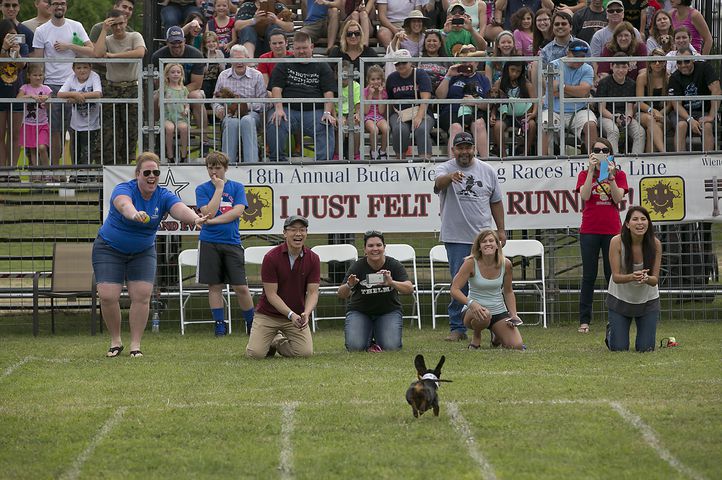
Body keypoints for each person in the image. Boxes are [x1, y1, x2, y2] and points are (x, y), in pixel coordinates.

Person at [93, 152, 207, 358]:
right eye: (147, 172)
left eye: (156, 172)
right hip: (109, 248)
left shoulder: (163, 195)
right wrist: (134, 213)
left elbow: (179, 209)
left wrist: (194, 219)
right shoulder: (124, 189)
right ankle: (116, 340)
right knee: (108, 296)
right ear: (137, 174)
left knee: (142, 296)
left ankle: (135, 345)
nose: (151, 176)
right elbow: (123, 204)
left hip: (142, 252)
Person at [434, 131, 505, 342]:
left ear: (474, 148)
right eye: (460, 148)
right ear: (453, 150)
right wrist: (450, 177)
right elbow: (438, 184)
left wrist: (501, 230)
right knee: (460, 283)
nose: (464, 151)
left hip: (484, 238)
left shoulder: (487, 170)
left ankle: (495, 326)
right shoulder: (445, 168)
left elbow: (496, 201)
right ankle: (458, 327)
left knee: (492, 281)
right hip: (456, 237)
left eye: (468, 147)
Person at [195, 151, 255, 337]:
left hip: (232, 242)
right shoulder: (202, 189)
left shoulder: (237, 187)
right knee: (214, 286)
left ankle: (251, 323)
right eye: (210, 168)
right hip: (209, 242)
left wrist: (211, 222)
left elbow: (237, 212)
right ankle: (219, 324)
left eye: (218, 168)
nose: (214, 172)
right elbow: (209, 212)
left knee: (241, 287)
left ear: (225, 168)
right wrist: (219, 190)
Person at [246, 215, 320, 359]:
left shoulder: (313, 258)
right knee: (256, 354)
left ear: (306, 233)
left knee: (305, 353)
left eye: (302, 230)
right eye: (293, 230)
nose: (298, 234)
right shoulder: (271, 258)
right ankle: (266, 340)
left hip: (297, 316)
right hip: (268, 314)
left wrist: (306, 313)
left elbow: (313, 293)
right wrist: (290, 314)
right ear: (285, 233)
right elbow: (271, 294)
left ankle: (276, 341)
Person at [574, 137, 628, 334]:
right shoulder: (583, 174)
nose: (600, 153)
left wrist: (611, 176)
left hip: (612, 231)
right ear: (590, 153)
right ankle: (584, 320)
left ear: (610, 153)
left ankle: (616, 317)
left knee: (612, 275)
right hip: (589, 229)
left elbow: (618, 198)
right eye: (596, 150)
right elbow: (585, 195)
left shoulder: (619, 174)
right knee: (589, 276)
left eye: (605, 150)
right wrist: (590, 171)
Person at [31, 0, 94, 164]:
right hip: (51, 85)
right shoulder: (41, 30)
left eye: (63, 3)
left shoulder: (76, 26)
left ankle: (75, 170)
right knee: (54, 131)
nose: (59, 6)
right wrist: (39, 87)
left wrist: (70, 46)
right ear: (50, 6)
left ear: (66, 6)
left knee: (74, 130)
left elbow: (91, 50)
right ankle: (55, 170)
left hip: (74, 85)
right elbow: (37, 61)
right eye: (56, 3)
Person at [266, 31, 337, 162]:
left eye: (304, 48)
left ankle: (324, 164)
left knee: (326, 124)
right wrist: (279, 109)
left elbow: (329, 92)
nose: (301, 51)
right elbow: (276, 88)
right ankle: (277, 162)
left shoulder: (322, 66)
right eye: (298, 48)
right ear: (292, 49)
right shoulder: (284, 63)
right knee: (275, 121)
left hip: (314, 111)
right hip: (288, 110)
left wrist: (327, 112)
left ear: (312, 47)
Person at [338, 230, 413, 352]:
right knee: (355, 347)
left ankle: (377, 335)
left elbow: (409, 288)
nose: (375, 249)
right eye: (370, 245)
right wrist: (349, 285)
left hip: (388, 312)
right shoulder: (357, 266)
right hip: (360, 312)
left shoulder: (394, 264)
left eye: (379, 245)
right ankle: (369, 338)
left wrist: (392, 282)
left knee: (391, 347)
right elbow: (341, 294)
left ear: (384, 247)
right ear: (365, 249)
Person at [450, 229, 524, 349]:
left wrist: (513, 315)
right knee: (485, 315)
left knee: (516, 346)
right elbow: (454, 289)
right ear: (479, 247)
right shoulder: (470, 263)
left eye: (491, 241)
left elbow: (508, 291)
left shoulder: (507, 264)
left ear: (497, 245)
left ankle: (496, 336)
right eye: (484, 241)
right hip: (472, 312)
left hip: (498, 311)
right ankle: (477, 335)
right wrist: (471, 303)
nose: (488, 244)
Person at [92, 8, 146, 164]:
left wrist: (114, 56)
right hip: (112, 87)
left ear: (126, 22)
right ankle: (110, 165)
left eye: (121, 23)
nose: (118, 28)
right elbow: (97, 53)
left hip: (131, 87)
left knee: (131, 129)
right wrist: (103, 30)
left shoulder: (135, 36)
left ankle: (128, 163)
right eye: (114, 25)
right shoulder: (108, 39)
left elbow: (139, 53)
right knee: (109, 130)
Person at [606, 206, 662, 352]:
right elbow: (616, 277)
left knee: (646, 348)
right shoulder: (616, 242)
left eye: (644, 219)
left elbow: (655, 280)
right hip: (620, 299)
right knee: (619, 348)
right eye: (635, 219)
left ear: (649, 223)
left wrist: (646, 278)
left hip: (647, 300)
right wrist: (632, 276)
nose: (640, 223)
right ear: (627, 224)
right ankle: (612, 330)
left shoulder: (655, 244)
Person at [151, 26, 210, 156]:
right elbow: (157, 82)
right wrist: (170, 91)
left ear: (184, 40)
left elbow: (197, 83)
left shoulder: (196, 55)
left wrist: (179, 92)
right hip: (167, 89)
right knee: (156, 97)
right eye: (173, 42)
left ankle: (204, 140)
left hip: (189, 90)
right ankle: (156, 137)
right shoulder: (157, 56)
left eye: (179, 42)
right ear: (167, 42)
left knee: (197, 97)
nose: (176, 45)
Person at [540, 39, 598, 156]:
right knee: (544, 125)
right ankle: (544, 162)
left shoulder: (588, 68)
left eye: (582, 57)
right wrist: (578, 92)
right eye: (576, 56)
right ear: (568, 53)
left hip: (579, 110)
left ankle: (593, 161)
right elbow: (552, 91)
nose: (578, 60)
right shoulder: (554, 65)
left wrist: (563, 87)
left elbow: (583, 91)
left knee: (590, 125)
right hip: (554, 109)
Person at [212, 44, 267, 163]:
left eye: (242, 59)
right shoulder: (223, 75)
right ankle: (227, 165)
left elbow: (263, 102)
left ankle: (251, 164)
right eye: (236, 59)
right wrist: (219, 110)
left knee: (247, 121)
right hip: (230, 113)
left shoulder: (257, 75)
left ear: (247, 59)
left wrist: (245, 106)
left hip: (252, 113)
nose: (239, 63)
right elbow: (215, 99)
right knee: (232, 123)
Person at [436, 45, 490, 158]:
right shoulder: (453, 76)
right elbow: (440, 96)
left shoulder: (483, 79)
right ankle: (452, 164)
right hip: (452, 111)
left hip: (474, 111)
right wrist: (448, 75)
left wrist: (475, 102)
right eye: (464, 61)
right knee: (456, 128)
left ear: (476, 63)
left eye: (470, 61)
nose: (467, 65)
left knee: (479, 124)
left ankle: (486, 162)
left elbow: (488, 105)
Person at [668, 49, 721, 153]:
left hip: (703, 111)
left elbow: (716, 89)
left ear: (693, 60)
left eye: (687, 61)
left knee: (707, 125)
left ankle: (707, 161)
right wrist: (689, 119)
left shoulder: (704, 68)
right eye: (679, 62)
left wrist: (711, 115)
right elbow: (676, 104)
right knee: (681, 125)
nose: (683, 65)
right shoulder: (674, 77)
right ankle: (680, 161)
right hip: (682, 113)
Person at [385, 48, 433, 160]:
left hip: (421, 110)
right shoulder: (391, 78)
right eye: (397, 63)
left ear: (410, 62)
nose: (401, 65)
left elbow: (426, 97)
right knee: (399, 129)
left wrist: (419, 116)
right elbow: (390, 100)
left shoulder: (421, 74)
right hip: (399, 112)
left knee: (421, 129)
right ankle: (400, 161)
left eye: (404, 62)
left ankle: (425, 162)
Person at [596, 53, 645, 155]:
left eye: (624, 67)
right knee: (613, 131)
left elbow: (630, 106)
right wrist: (615, 118)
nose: (621, 70)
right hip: (606, 116)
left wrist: (628, 118)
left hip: (624, 115)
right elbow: (601, 109)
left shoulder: (631, 83)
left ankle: (636, 160)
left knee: (640, 132)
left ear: (628, 68)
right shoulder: (604, 82)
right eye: (617, 66)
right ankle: (614, 161)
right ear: (611, 67)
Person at [57, 61, 102, 164]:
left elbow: (98, 93)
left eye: (85, 67)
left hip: (92, 124)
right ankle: (76, 174)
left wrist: (79, 97)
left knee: (88, 152)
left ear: (90, 68)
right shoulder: (71, 78)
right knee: (75, 151)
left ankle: (87, 175)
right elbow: (60, 94)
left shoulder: (94, 76)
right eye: (79, 68)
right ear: (73, 69)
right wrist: (74, 94)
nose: (82, 70)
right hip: (76, 124)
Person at [489, 60, 536, 157]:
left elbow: (535, 101)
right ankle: (503, 155)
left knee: (532, 124)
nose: (514, 73)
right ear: (507, 70)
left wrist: (534, 113)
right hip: (505, 115)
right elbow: (494, 101)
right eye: (512, 70)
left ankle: (525, 153)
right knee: (498, 125)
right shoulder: (499, 82)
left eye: (518, 71)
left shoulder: (527, 84)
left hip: (522, 115)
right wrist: (492, 114)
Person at [0, 18, 27, 167]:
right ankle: (2, 170)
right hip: (1, 94)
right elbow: (2, 64)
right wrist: (4, 49)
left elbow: (22, 66)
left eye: (14, 34)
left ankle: (12, 169)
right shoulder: (2, 47)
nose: (12, 38)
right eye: (8, 35)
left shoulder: (20, 47)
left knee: (15, 135)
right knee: (0, 136)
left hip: (16, 93)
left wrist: (16, 52)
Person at [636, 48, 669, 152]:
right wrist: (653, 111)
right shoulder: (642, 77)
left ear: (665, 63)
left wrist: (661, 113)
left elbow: (671, 103)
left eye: (661, 61)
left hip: (663, 114)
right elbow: (639, 102)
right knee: (651, 120)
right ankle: (664, 152)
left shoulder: (669, 77)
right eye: (654, 61)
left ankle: (650, 159)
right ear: (649, 63)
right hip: (644, 113)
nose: (657, 63)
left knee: (654, 128)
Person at [17, 63, 51, 166]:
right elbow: (18, 98)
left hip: (42, 124)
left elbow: (50, 105)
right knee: (33, 150)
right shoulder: (25, 88)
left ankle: (47, 172)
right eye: (35, 75)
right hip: (28, 124)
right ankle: (36, 175)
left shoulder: (46, 89)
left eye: (40, 75)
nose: (38, 77)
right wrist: (31, 96)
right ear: (28, 76)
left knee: (42, 147)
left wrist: (47, 99)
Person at [363, 64, 389, 160]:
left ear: (382, 80)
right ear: (368, 80)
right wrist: (370, 94)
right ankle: (373, 151)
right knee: (374, 130)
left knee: (386, 129)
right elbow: (365, 111)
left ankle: (382, 151)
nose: (376, 82)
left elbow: (381, 111)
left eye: (378, 79)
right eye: (373, 79)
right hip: (368, 117)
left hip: (379, 116)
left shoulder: (384, 92)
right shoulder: (365, 91)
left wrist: (381, 94)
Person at [200, 30, 225, 99]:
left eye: (213, 41)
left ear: (217, 43)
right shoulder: (202, 55)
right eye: (208, 42)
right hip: (205, 80)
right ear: (204, 44)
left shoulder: (219, 53)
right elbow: (201, 72)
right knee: (206, 86)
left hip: (216, 79)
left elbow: (222, 70)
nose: (211, 44)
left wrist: (220, 62)